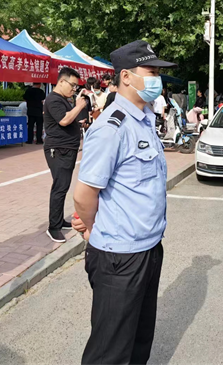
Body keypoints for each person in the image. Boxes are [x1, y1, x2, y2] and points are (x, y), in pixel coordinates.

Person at [72, 40, 174, 364]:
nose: (157, 79)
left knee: (139, 341)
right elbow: (84, 194)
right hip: (119, 257)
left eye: (158, 73)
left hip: (149, 248)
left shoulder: (144, 119)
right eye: (151, 72)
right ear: (126, 77)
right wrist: (92, 230)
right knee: (110, 351)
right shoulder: (111, 127)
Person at [43, 67, 87, 243]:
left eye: (76, 86)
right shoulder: (53, 99)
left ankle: (59, 220)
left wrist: (78, 122)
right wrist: (79, 106)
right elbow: (63, 120)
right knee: (60, 187)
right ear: (61, 81)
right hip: (58, 149)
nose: (74, 89)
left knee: (63, 186)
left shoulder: (62, 99)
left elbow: (67, 119)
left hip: (66, 148)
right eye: (72, 85)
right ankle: (53, 227)